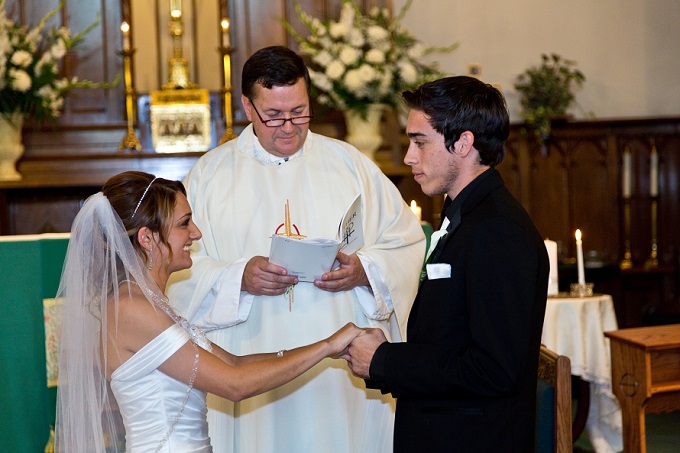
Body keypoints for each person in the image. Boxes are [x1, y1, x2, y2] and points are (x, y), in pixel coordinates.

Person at [166, 46, 425, 453]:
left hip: (339, 374)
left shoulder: (350, 165)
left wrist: (364, 270)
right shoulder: (210, 176)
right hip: (251, 362)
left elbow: (405, 243)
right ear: (248, 108)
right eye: (274, 115)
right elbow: (178, 273)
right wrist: (240, 277)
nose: (289, 127)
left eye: (300, 112)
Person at [54, 171, 361, 452]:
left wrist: (328, 347)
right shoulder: (130, 308)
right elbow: (234, 384)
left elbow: (233, 362)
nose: (196, 233)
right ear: (147, 238)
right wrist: (326, 347)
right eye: (184, 223)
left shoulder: (148, 302)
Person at [347, 76, 550, 452]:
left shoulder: (497, 230)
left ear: (463, 143)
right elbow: (451, 337)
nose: (409, 156)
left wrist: (386, 361)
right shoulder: (465, 214)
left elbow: (494, 370)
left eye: (420, 142)